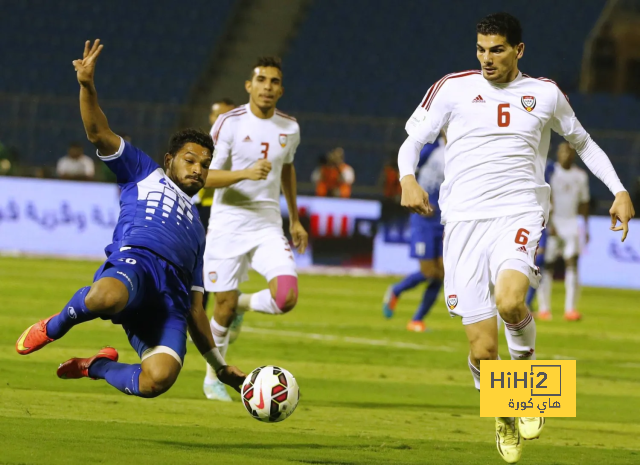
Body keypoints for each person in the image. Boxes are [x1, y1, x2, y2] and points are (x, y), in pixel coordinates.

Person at [398, 13, 634, 464]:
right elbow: (413, 139)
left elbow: (583, 142)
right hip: (463, 223)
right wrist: (408, 177)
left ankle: (524, 385)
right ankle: (503, 412)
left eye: (498, 49)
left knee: (511, 302)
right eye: (482, 49)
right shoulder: (452, 87)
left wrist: (619, 190)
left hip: (519, 214)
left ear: (519, 50)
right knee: (482, 348)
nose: (487, 59)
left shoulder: (544, 93)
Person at [15, 40, 244, 398]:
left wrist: (219, 367)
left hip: (169, 301)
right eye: (190, 160)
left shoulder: (200, 231)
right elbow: (98, 132)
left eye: (204, 165)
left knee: (158, 380)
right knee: (105, 295)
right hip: (135, 266)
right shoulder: (144, 171)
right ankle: (54, 326)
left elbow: (196, 309)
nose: (198, 170)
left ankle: (96, 366)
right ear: (169, 159)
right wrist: (87, 86)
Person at [201, 56, 308, 401]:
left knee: (286, 297)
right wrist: (244, 173)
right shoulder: (228, 123)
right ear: (249, 86)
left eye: (274, 81)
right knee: (221, 308)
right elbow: (204, 178)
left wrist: (294, 218)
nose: (267, 87)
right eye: (261, 80)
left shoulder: (290, 127)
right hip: (227, 224)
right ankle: (213, 376)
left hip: (266, 225)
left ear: (281, 90)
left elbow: (287, 169)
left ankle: (242, 305)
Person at [383, 136, 445, 332]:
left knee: (442, 273)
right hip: (424, 219)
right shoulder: (432, 149)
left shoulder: (463, 149)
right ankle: (396, 290)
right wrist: (419, 197)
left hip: (445, 220)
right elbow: (409, 171)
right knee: (429, 271)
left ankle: (417, 320)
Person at [537, 142, 590, 321]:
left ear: (573, 154)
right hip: (553, 225)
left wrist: (586, 227)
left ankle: (570, 310)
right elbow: (544, 198)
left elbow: (584, 203)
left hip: (572, 225)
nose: (564, 154)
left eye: (567, 151)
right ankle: (544, 309)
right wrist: (547, 223)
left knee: (572, 264)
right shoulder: (551, 173)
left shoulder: (580, 176)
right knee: (547, 266)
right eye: (561, 151)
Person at [195, 98, 236, 310]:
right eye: (219, 116)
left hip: (224, 210)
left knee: (213, 263)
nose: (223, 121)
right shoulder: (203, 144)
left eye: (228, 116)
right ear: (212, 118)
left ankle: (228, 305)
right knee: (195, 261)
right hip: (201, 208)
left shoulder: (237, 146)